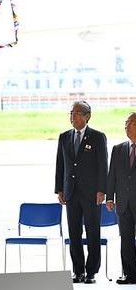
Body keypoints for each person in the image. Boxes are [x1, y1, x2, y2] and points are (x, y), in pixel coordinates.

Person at [55, 100, 108, 284]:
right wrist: (59, 189)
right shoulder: (64, 137)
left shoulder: (97, 137)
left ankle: (91, 271)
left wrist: (102, 190)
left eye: (77, 113)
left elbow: (103, 165)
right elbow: (60, 165)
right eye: (71, 113)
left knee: (93, 232)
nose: (73, 117)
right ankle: (78, 271)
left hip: (92, 194)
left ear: (87, 116)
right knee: (74, 233)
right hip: (71, 193)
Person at [106, 112, 136, 285]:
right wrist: (109, 198)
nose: (126, 126)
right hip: (123, 204)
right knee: (125, 240)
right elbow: (112, 176)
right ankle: (130, 275)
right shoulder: (118, 149)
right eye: (125, 123)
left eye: (130, 123)